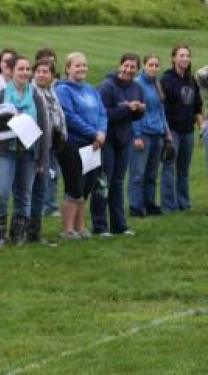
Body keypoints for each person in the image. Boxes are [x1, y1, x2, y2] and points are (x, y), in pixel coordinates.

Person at [0, 55, 50, 247]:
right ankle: (0, 232)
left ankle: (18, 232)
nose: (25, 73)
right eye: (20, 69)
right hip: (5, 150)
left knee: (24, 194)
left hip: (29, 152)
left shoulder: (36, 96)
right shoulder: (2, 95)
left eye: (27, 69)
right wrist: (11, 119)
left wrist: (42, 160)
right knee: (0, 192)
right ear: (11, 72)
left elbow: (43, 129)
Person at [54, 52, 107, 239]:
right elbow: (69, 116)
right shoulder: (62, 90)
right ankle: (68, 230)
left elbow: (102, 113)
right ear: (68, 68)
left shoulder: (92, 90)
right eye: (77, 65)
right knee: (74, 186)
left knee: (86, 187)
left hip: (93, 145)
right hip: (73, 145)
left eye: (84, 65)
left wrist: (101, 133)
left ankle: (80, 228)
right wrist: (94, 133)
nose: (82, 68)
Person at [91, 53, 144, 237]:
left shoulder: (136, 87)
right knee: (103, 182)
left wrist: (139, 110)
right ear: (120, 66)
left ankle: (119, 225)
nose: (129, 70)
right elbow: (102, 114)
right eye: (126, 66)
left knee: (119, 183)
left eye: (133, 67)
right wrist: (126, 108)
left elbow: (135, 117)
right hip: (107, 140)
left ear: (137, 69)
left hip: (125, 139)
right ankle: (100, 226)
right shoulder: (108, 86)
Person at [160, 44, 202, 213]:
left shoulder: (192, 81)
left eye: (187, 55)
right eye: (181, 55)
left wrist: (202, 128)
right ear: (173, 58)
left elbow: (197, 106)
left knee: (183, 169)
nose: (185, 58)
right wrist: (166, 132)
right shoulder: (166, 80)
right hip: (172, 131)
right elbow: (161, 108)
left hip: (188, 131)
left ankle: (184, 203)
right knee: (169, 167)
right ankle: (169, 206)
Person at [28, 59, 66, 241]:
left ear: (52, 76)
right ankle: (24, 225)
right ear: (33, 74)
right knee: (29, 187)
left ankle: (35, 228)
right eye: (39, 71)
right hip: (33, 145)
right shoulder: (30, 92)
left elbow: (58, 117)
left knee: (45, 184)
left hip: (50, 143)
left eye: (46, 72)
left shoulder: (51, 93)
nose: (42, 75)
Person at [129, 55, 168, 217]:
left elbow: (161, 111)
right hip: (143, 134)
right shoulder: (137, 84)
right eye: (150, 65)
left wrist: (167, 132)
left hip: (157, 134)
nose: (153, 68)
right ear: (143, 66)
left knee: (151, 174)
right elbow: (135, 113)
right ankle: (136, 207)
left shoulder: (156, 84)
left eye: (156, 65)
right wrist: (136, 135)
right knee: (138, 174)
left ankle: (150, 204)